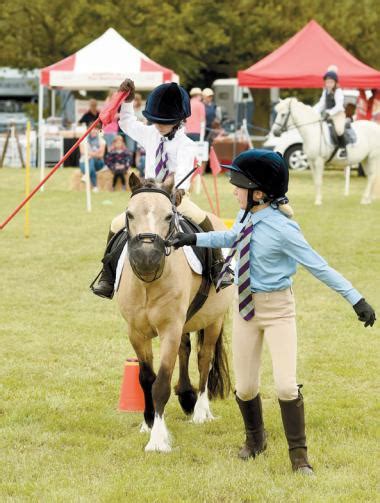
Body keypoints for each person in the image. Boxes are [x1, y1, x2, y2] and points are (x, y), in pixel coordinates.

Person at [170, 149, 376, 475]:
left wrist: (356, 299)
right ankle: (255, 441)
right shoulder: (246, 216)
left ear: (259, 193)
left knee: (285, 386)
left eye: (238, 185)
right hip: (244, 308)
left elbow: (319, 267)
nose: (233, 189)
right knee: (246, 387)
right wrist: (193, 237)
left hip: (277, 310)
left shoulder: (284, 229)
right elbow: (232, 236)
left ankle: (299, 458)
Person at [91, 79, 230, 299]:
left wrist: (180, 190)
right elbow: (127, 123)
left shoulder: (186, 144)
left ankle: (217, 266)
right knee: (116, 224)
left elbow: (184, 168)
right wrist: (127, 101)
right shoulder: (150, 133)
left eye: (163, 122)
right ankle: (107, 276)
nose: (158, 125)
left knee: (202, 218)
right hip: (148, 195)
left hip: (175, 196)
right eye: (155, 121)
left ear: (178, 121)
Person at [315, 66, 347, 157]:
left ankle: (343, 148)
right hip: (328, 115)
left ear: (335, 82)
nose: (329, 84)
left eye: (331, 82)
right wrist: (314, 111)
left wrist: (329, 112)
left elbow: (339, 106)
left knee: (339, 130)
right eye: (327, 82)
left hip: (338, 115)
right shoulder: (325, 91)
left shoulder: (338, 91)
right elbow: (321, 104)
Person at [79, 122, 106, 192]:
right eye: (92, 129)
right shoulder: (83, 140)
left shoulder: (102, 141)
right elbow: (82, 152)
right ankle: (95, 187)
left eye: (96, 129)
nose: (93, 131)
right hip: (84, 162)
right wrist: (95, 153)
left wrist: (89, 154)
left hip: (99, 163)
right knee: (91, 163)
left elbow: (101, 155)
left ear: (98, 130)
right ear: (89, 129)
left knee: (91, 160)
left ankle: (86, 175)